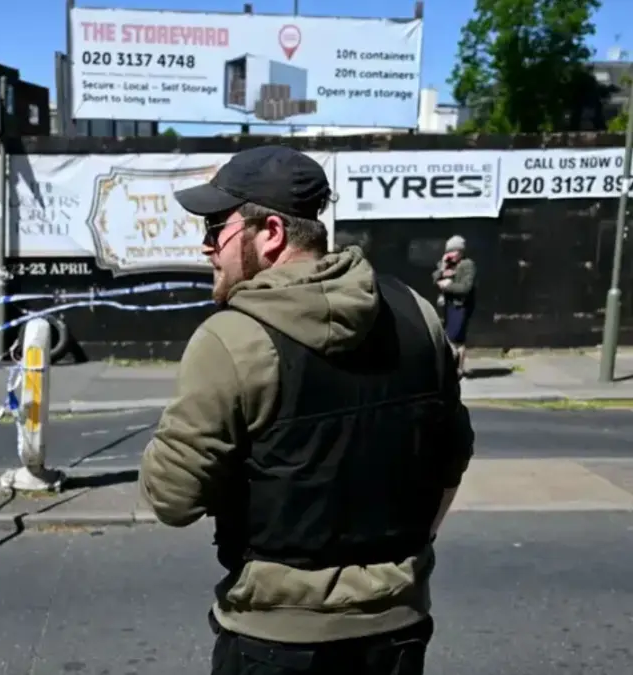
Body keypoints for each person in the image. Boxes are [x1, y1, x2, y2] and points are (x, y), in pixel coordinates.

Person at [137, 146, 475, 675]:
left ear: (270, 233)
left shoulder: (232, 339)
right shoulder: (417, 313)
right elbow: (453, 457)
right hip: (399, 630)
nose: (206, 246)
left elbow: (171, 499)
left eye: (215, 228)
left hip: (276, 639)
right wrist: (409, 551)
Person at [433, 236, 476, 379]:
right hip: (448, 305)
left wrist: (448, 286)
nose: (451, 255)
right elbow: (434, 278)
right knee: (453, 338)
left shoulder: (467, 265)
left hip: (461, 306)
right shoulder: (448, 264)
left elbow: (465, 288)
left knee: (454, 338)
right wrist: (443, 268)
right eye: (449, 252)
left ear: (460, 251)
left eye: (454, 251)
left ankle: (455, 368)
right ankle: (455, 368)